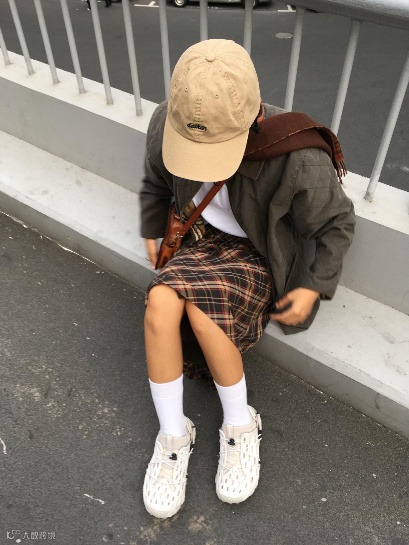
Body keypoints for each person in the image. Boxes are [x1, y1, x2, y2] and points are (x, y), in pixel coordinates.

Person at [140, 39, 355, 519]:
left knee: (203, 313)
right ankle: (173, 435)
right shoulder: (167, 122)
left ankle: (240, 425)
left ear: (254, 116)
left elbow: (337, 223)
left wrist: (312, 285)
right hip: (199, 239)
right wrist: (154, 225)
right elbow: (156, 178)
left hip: (257, 251)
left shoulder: (295, 154)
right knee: (159, 305)